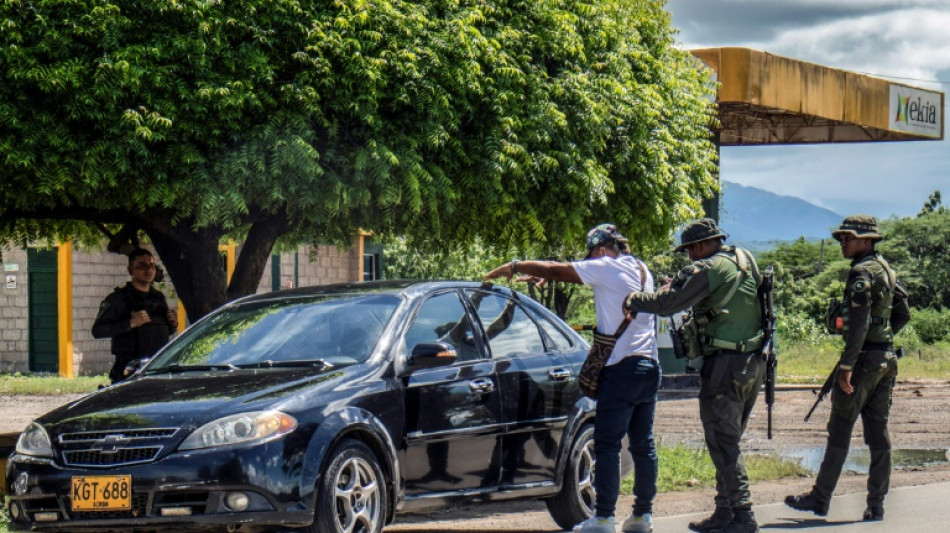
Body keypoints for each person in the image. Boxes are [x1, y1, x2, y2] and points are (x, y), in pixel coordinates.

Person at [484, 224, 659, 533]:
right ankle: (642, 516)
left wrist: (514, 266)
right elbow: (589, 281)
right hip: (649, 367)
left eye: (591, 254)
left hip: (621, 370)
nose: (589, 261)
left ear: (602, 249)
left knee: (607, 444)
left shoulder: (605, 265)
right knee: (642, 444)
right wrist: (546, 276)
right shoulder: (642, 269)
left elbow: (558, 269)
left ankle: (603, 517)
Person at [623, 218, 765, 533]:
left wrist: (632, 299)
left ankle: (743, 516)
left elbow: (666, 303)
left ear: (699, 247)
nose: (689, 256)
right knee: (727, 441)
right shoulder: (742, 259)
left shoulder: (705, 269)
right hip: (754, 363)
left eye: (689, 250)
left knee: (724, 442)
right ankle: (725, 512)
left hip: (724, 367)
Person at [785, 215, 910, 522]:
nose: (843, 243)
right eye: (841, 238)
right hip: (885, 359)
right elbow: (903, 313)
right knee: (878, 433)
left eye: (848, 238)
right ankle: (876, 504)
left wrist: (847, 365)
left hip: (864, 360)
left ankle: (820, 497)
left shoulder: (861, 271)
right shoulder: (886, 269)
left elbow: (859, 322)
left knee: (840, 429)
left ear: (867, 240)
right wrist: (884, 339)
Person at [92, 248, 177, 383]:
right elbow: (98, 330)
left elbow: (164, 330)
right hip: (128, 370)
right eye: (142, 266)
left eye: (151, 265)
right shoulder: (118, 299)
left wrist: (172, 324)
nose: (148, 270)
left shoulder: (158, 298)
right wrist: (130, 324)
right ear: (131, 271)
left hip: (156, 368)